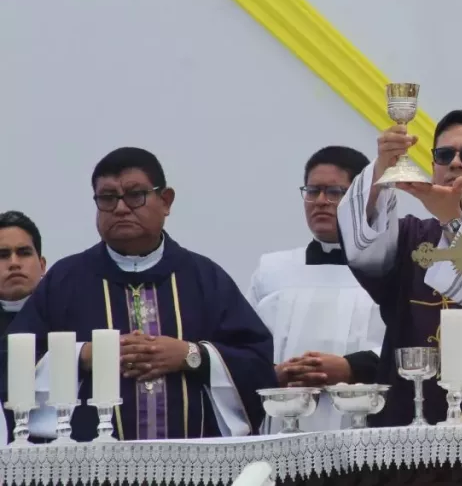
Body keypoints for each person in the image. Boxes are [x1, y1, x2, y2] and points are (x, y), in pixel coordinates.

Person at [0, 147, 277, 440]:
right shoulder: (65, 281)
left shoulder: (204, 278)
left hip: (192, 468)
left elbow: (257, 363)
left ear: (166, 201)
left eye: (135, 195)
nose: (120, 208)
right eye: (107, 198)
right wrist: (82, 355)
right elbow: (11, 360)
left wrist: (191, 355)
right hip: (91, 472)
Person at [338, 110, 462, 426]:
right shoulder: (410, 236)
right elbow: (362, 248)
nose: (456, 163)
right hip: (409, 418)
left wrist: (451, 221)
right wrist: (383, 169)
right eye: (445, 154)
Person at [247, 146, 385, 432]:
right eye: (313, 191)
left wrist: (351, 369)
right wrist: (276, 373)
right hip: (284, 429)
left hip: (366, 430)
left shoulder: (387, 268)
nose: (321, 201)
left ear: (363, 198)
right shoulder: (273, 270)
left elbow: (407, 347)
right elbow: (246, 349)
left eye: (335, 192)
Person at [0, 211, 46, 333]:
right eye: (3, 255)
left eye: (24, 253)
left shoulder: (64, 314)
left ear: (42, 266)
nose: (14, 263)